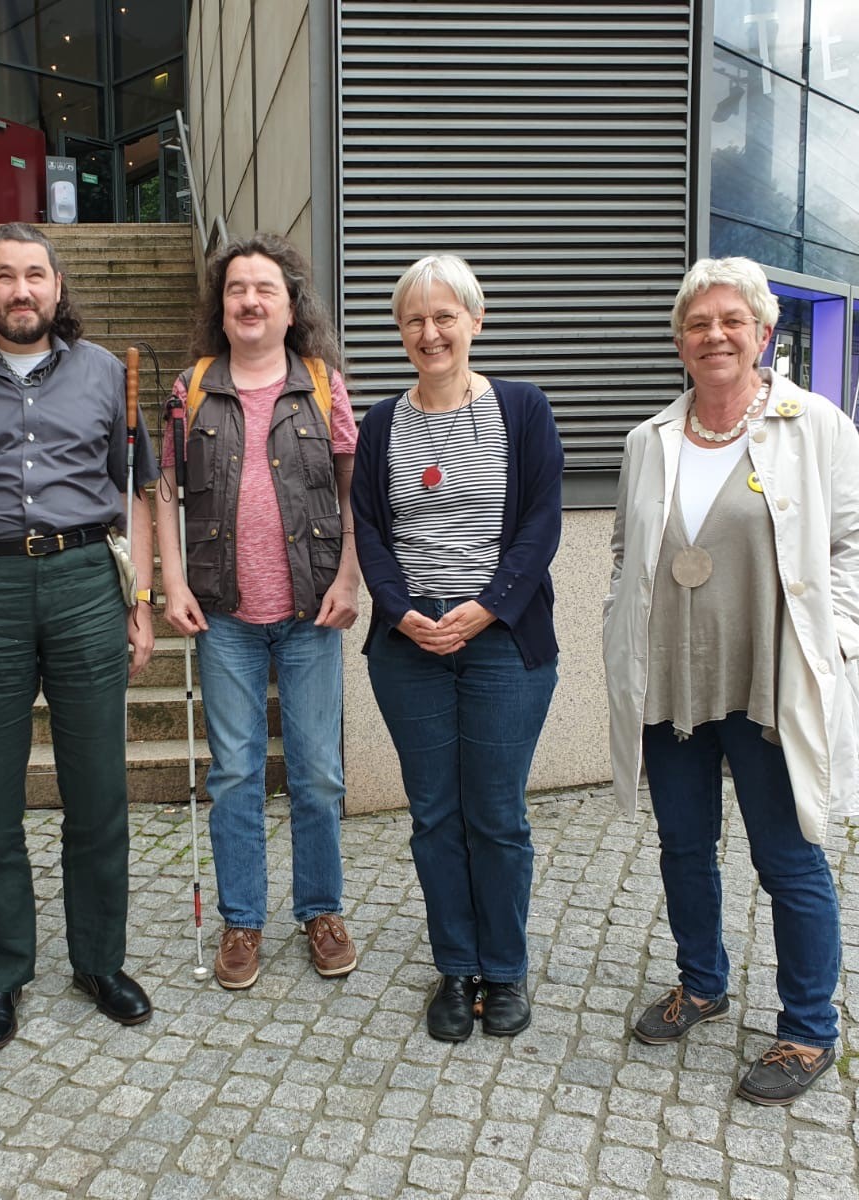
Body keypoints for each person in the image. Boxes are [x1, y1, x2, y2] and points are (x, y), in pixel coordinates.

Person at [603, 256, 859, 1105]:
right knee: (683, 846)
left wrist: (837, 636)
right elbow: (627, 548)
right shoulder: (648, 440)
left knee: (789, 858)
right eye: (698, 323)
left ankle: (807, 1028)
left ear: (764, 334)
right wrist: (622, 615)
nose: (715, 335)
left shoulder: (815, 426)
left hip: (771, 679)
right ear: (680, 343)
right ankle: (703, 982)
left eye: (733, 321)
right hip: (673, 684)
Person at [0, 222, 158, 1053]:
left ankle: (99, 961)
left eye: (35, 276)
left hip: (87, 579)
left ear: (57, 288)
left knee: (98, 790)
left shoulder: (105, 375)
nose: (21, 291)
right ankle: (2, 974)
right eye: (5, 276)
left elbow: (139, 494)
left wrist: (141, 600)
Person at [351, 254, 562, 1041]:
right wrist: (401, 611)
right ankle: (457, 967)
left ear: (476, 320)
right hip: (409, 646)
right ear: (401, 332)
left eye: (445, 316)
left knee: (497, 813)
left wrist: (485, 609)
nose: (430, 332)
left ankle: (504, 970)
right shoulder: (382, 423)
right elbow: (369, 529)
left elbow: (544, 520)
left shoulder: (522, 407)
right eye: (414, 319)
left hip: (502, 640)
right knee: (436, 813)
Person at [155, 234, 362, 990]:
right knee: (236, 774)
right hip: (225, 614)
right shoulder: (191, 386)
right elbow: (165, 495)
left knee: (318, 774)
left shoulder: (322, 383)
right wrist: (169, 586)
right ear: (222, 304)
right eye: (236, 288)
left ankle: (321, 910)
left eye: (264, 288)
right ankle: (241, 920)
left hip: (311, 609)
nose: (248, 299)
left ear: (288, 305)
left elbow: (353, 494)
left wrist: (350, 577)